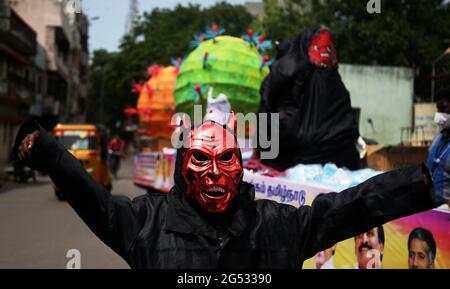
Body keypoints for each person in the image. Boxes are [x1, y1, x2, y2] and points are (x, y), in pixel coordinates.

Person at [12, 114, 444, 269]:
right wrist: (49, 153)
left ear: (240, 167)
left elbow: (351, 207)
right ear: (183, 169)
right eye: (201, 160)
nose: (215, 174)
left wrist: (422, 182)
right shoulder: (146, 223)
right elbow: (94, 200)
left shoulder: (276, 225)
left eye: (226, 159)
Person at [256, 28, 361, 171]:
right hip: (336, 162)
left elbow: (267, 107)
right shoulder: (333, 80)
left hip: (291, 157)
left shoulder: (287, 71)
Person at [428, 87, 450, 207]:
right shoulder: (438, 139)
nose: (439, 115)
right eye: (437, 109)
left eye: (443, 108)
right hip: (433, 210)